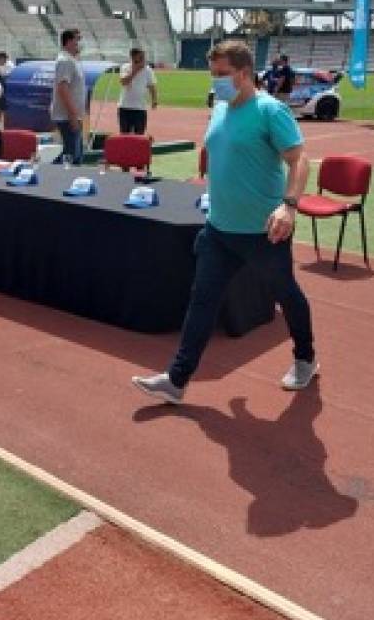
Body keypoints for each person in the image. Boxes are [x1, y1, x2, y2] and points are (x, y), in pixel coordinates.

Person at [132, 39, 318, 405]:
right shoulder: (219, 108)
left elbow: (300, 160)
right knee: (202, 301)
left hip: (264, 232)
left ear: (245, 73)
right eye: (212, 74)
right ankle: (177, 380)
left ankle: (305, 358)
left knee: (287, 295)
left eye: (222, 74)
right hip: (219, 230)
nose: (215, 81)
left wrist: (289, 206)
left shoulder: (270, 110)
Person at [50, 29, 86, 164]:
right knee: (71, 155)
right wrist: (72, 115)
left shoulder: (72, 60)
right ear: (69, 41)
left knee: (76, 154)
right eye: (78, 39)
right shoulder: (65, 61)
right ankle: (49, 172)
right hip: (67, 116)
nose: (80, 43)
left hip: (72, 115)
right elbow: (63, 88)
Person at [118, 47, 157, 134]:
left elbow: (152, 86)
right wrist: (135, 70)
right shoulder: (125, 67)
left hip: (140, 108)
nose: (143, 59)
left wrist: (154, 100)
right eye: (141, 57)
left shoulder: (148, 70)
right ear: (133, 57)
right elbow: (124, 82)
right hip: (125, 107)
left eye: (143, 57)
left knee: (139, 136)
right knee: (124, 135)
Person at [0, 51, 14, 125]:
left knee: (0, 108)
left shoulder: (9, 66)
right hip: (1, 89)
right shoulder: (1, 66)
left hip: (6, 89)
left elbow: (4, 74)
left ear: (3, 59)